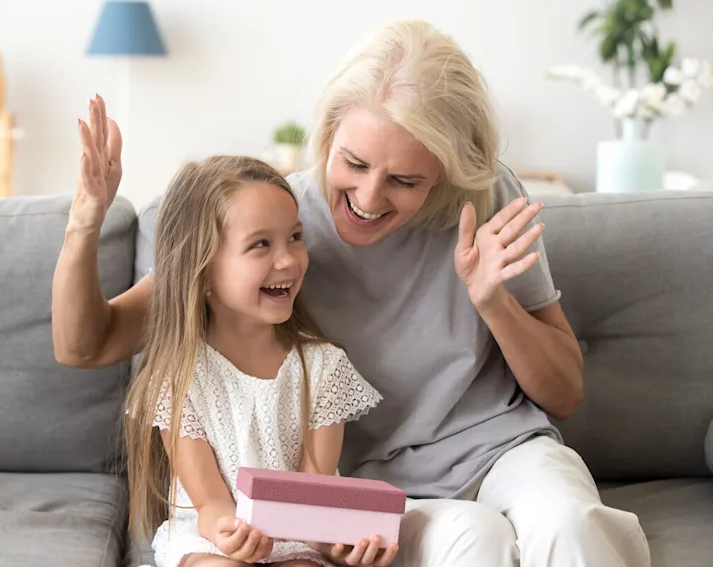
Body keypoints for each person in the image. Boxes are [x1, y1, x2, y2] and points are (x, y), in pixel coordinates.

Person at [52, 19, 650, 567]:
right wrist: (86, 219)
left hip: (505, 450)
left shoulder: (486, 199)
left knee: (571, 525)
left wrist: (492, 300)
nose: (367, 197)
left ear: (445, 169)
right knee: (477, 542)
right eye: (354, 163)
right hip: (376, 492)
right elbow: (88, 344)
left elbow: (564, 393)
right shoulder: (277, 222)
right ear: (329, 132)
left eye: (404, 180)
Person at [81, 149, 388, 567]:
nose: (288, 260)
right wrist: (234, 536)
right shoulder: (180, 375)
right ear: (203, 269)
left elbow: (312, 495)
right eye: (260, 244)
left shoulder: (322, 368)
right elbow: (209, 504)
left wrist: (334, 543)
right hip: (212, 536)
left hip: (294, 536)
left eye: (295, 237)